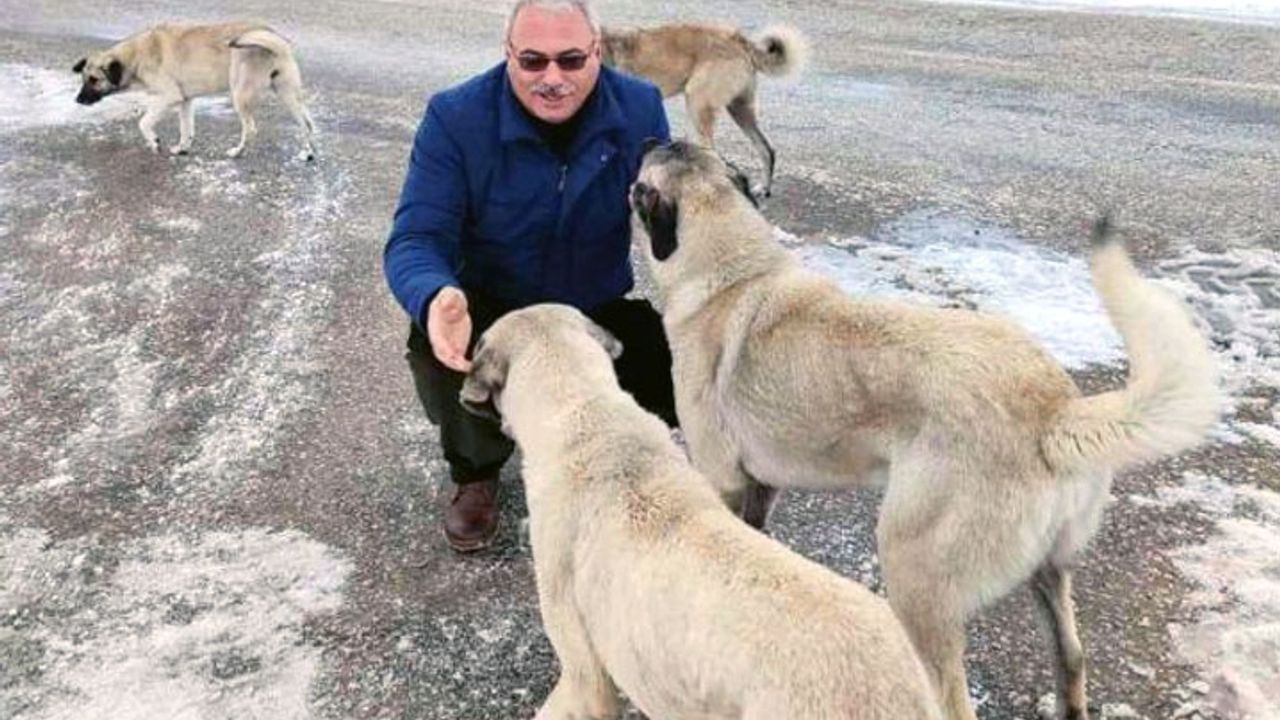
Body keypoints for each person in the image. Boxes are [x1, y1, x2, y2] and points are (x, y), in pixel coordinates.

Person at [383, 0, 677, 553]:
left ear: (597, 52)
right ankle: (477, 471)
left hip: (593, 308)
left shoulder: (639, 108)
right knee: (442, 345)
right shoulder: (456, 117)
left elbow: (670, 213)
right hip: (495, 307)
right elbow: (417, 236)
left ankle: (622, 457)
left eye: (570, 60)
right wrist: (436, 295)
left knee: (682, 363)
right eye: (533, 61)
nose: (552, 79)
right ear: (508, 55)